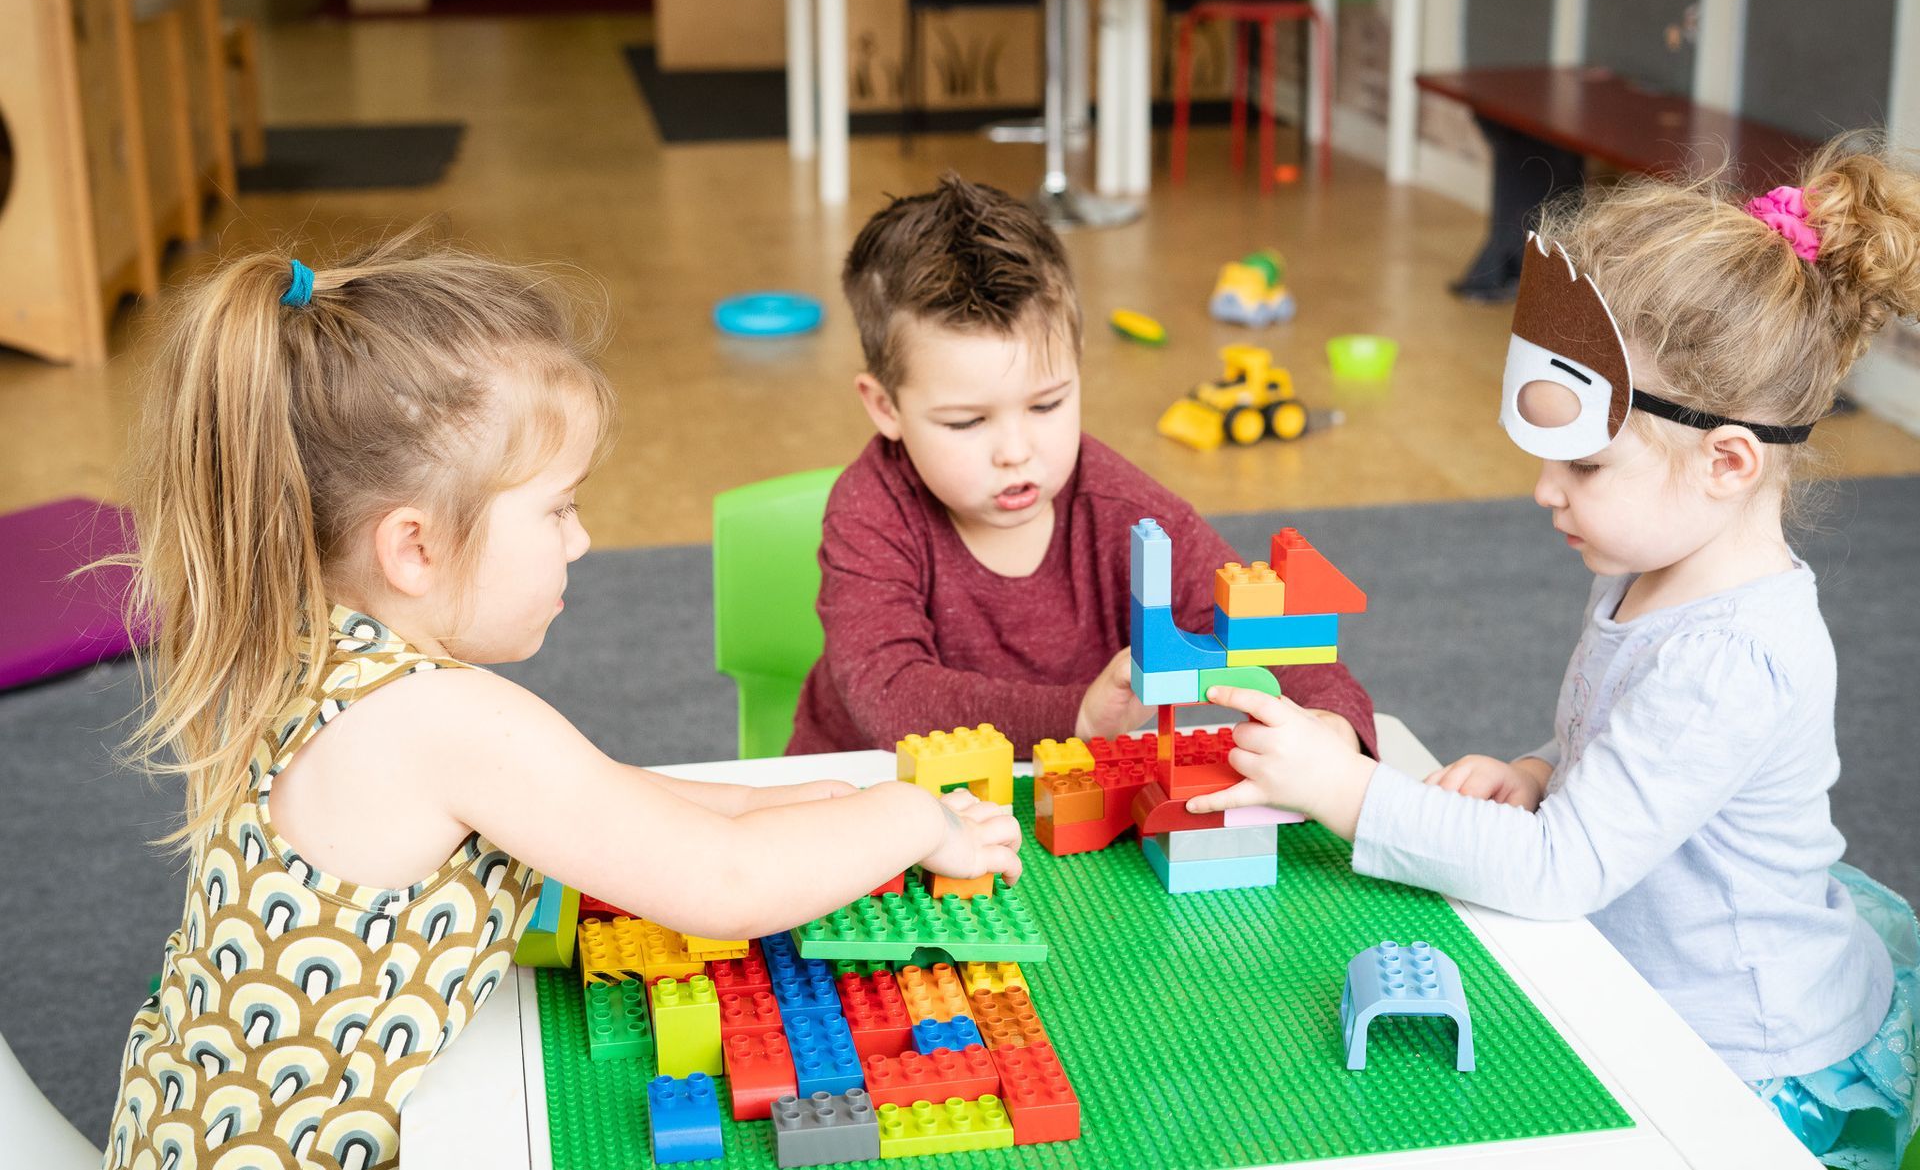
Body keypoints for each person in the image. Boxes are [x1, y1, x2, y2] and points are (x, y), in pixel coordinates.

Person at [101, 229, 1022, 1169]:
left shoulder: (305, 649)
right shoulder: (449, 722)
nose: (580, 541)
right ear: (413, 547)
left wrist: (774, 802)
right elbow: (727, 887)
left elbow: (595, 794)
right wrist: (913, 817)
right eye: (556, 508)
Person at [1188, 138, 1920, 1168]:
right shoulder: (1647, 561)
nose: (1544, 491)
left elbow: (1561, 871)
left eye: (1582, 463)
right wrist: (1544, 768)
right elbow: (1636, 747)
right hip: (1650, 977)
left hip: (1742, 1059)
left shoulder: (1731, 657)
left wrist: (1348, 792)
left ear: (1726, 461)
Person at [787, 174, 1376, 759]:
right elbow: (891, 695)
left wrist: (1332, 722)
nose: (1015, 451)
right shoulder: (871, 510)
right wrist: (1076, 716)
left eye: (1046, 404)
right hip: (865, 790)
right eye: (967, 422)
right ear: (884, 406)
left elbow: (1256, 625)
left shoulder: (1125, 511)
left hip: (1054, 800)